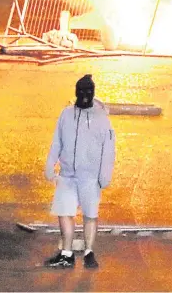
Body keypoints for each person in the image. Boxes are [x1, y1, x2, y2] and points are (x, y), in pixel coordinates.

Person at [44, 74, 115, 269]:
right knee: (64, 212)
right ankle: (66, 253)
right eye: (81, 91)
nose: (84, 95)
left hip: (90, 177)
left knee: (90, 215)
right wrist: (50, 166)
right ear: (75, 92)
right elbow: (57, 141)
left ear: (93, 93)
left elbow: (108, 149)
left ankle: (89, 251)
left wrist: (104, 175)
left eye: (88, 92)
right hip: (67, 175)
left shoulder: (102, 119)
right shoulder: (66, 114)